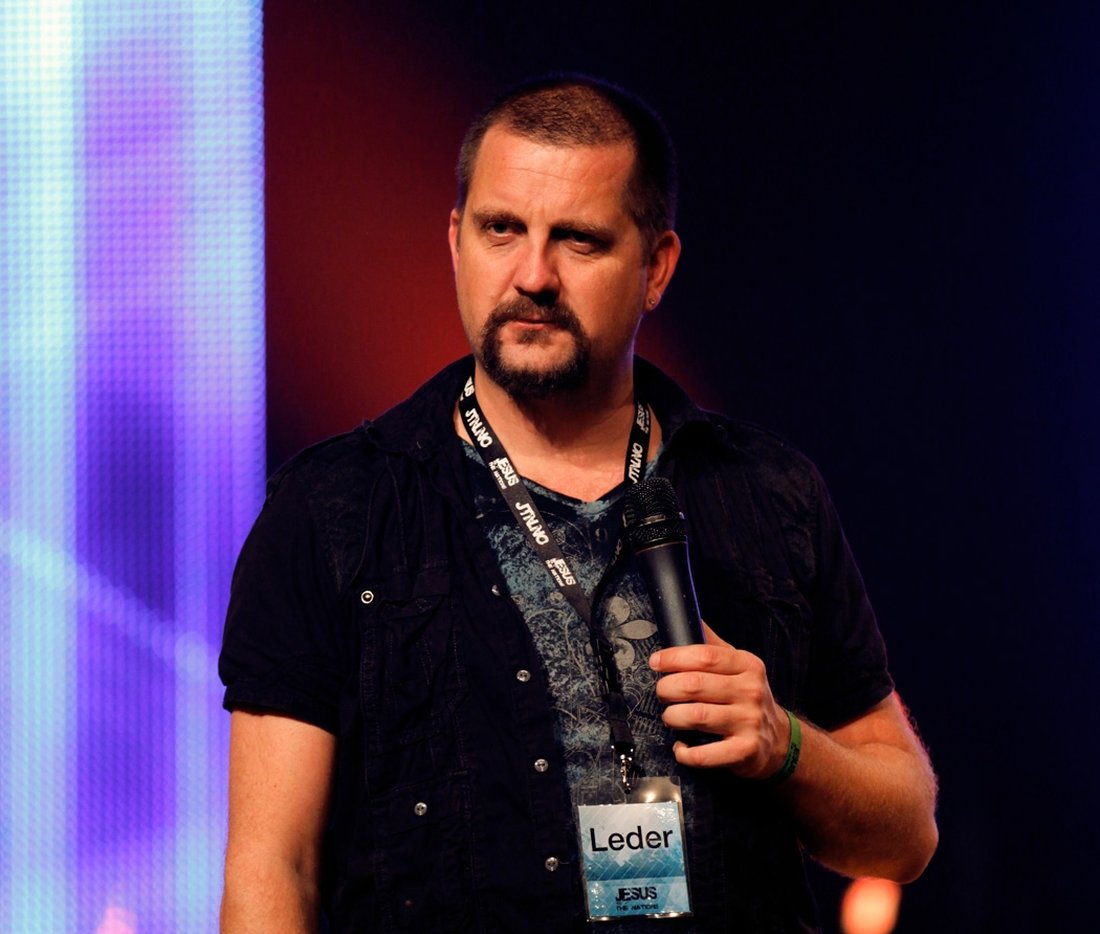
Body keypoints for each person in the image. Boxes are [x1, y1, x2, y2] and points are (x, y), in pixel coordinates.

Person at [219, 75, 937, 933]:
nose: (533, 276)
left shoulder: (766, 492)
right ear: (455, 240)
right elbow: (273, 867)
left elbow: (907, 837)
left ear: (656, 267)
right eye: (500, 229)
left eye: (580, 240)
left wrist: (785, 743)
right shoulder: (334, 507)